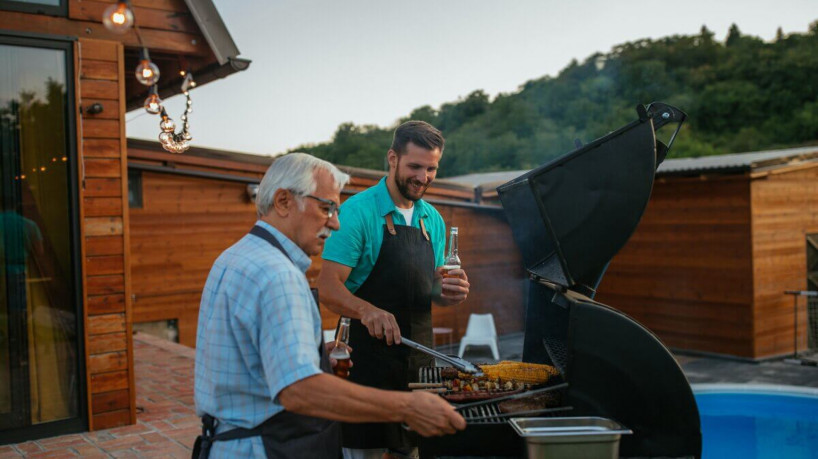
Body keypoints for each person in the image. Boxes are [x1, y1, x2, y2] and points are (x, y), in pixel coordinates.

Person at [193, 153, 465, 459]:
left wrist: (315, 356)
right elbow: (300, 391)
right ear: (283, 201)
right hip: (262, 448)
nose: (335, 223)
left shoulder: (236, 256)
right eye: (326, 208)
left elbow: (250, 354)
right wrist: (408, 406)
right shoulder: (278, 274)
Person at [317, 121, 471, 459]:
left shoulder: (433, 219)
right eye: (415, 166)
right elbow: (327, 288)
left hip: (420, 365)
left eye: (431, 168)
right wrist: (366, 310)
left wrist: (448, 292)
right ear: (392, 158)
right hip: (367, 367)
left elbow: (428, 292)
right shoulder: (357, 212)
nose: (423, 176)